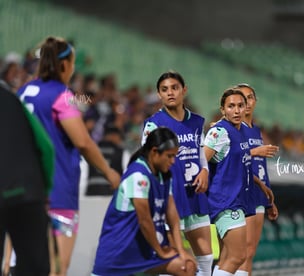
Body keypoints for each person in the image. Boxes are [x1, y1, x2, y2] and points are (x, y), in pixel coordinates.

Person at [16, 36, 121, 276]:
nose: (73, 69)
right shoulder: (62, 96)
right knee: (56, 269)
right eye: (73, 63)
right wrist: (108, 171)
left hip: (23, 193)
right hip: (56, 193)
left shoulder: (22, 92)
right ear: (64, 65)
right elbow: (83, 141)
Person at [92, 127, 196, 276]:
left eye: (175, 156)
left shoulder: (165, 175)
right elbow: (145, 220)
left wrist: (181, 251)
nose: (173, 161)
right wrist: (161, 252)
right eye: (169, 156)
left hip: (146, 251)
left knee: (187, 266)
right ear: (154, 152)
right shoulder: (138, 176)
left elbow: (172, 215)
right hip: (119, 254)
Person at [141, 71, 213, 275]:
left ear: (184, 90)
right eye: (164, 90)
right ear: (159, 94)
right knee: (173, 258)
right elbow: (147, 163)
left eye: (174, 88)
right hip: (171, 197)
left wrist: (205, 171)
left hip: (195, 194)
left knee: (206, 257)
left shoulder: (197, 122)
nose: (170, 93)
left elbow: (200, 153)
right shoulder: (154, 125)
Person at [204, 88, 273, 276]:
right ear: (223, 110)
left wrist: (260, 184)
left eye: (240, 106)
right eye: (231, 106)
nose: (236, 110)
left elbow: (240, 162)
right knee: (238, 256)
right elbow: (202, 160)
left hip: (236, 200)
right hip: (225, 201)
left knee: (230, 256)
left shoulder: (241, 131)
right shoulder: (219, 131)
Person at [0, 85, 54, 276]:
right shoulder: (12, 99)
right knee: (34, 268)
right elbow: (46, 148)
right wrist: (44, 190)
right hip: (28, 193)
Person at [235, 83, 279, 275]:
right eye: (242, 99)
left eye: (250, 97)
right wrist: (254, 151)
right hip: (243, 192)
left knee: (250, 251)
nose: (247, 102)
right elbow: (230, 157)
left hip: (260, 194)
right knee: (240, 252)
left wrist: (269, 199)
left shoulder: (256, 130)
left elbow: (261, 166)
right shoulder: (233, 128)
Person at [85, 125, 130, 196]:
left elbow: (83, 175)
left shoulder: (92, 151)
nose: (120, 140)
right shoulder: (122, 152)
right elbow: (128, 176)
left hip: (91, 193)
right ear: (114, 136)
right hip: (112, 195)